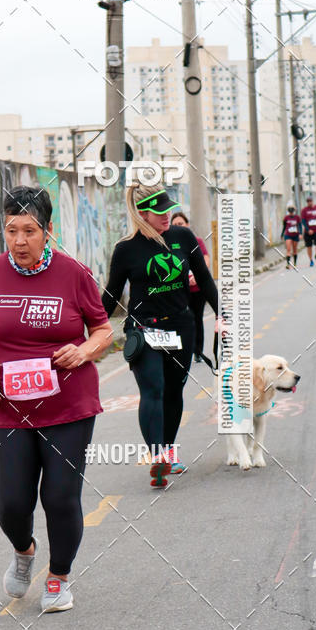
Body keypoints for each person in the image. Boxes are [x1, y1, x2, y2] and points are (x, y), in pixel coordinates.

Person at [0, 186, 113, 613]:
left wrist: (83, 351)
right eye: (11, 230)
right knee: (11, 502)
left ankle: (58, 577)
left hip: (69, 405)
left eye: (29, 231)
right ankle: (24, 551)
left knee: (60, 497)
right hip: (12, 408)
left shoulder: (74, 273)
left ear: (48, 230)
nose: (19, 241)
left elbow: (103, 330)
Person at [102, 183, 218, 487]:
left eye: (168, 209)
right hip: (144, 329)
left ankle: (167, 450)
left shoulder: (183, 237)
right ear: (143, 213)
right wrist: (91, 330)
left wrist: (223, 315)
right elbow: (111, 295)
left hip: (181, 326)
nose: (167, 215)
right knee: (153, 388)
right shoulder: (126, 249)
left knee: (173, 391)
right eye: (159, 211)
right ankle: (158, 457)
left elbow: (205, 279)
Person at [170, 211, 211, 363]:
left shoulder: (196, 241)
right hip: (180, 290)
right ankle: (183, 350)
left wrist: (197, 276)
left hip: (197, 290)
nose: (178, 227)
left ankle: (198, 351)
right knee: (182, 320)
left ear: (187, 225)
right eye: (175, 225)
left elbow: (205, 259)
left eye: (180, 224)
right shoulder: (169, 243)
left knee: (197, 318)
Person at [300, 193, 316, 267]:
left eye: (310, 201)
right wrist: (308, 230)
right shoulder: (304, 210)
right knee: (309, 246)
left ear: (312, 201)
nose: (309, 202)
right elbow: (303, 221)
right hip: (308, 232)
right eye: (308, 201)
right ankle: (311, 260)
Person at [281, 204, 302, 269]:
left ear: (294, 211)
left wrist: (300, 234)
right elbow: (284, 227)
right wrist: (282, 234)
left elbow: (300, 226)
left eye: (292, 211)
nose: (291, 212)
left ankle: (295, 263)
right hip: (288, 235)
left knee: (295, 250)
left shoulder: (297, 217)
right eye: (290, 211)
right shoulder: (286, 218)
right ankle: (288, 264)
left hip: (295, 235)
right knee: (288, 249)